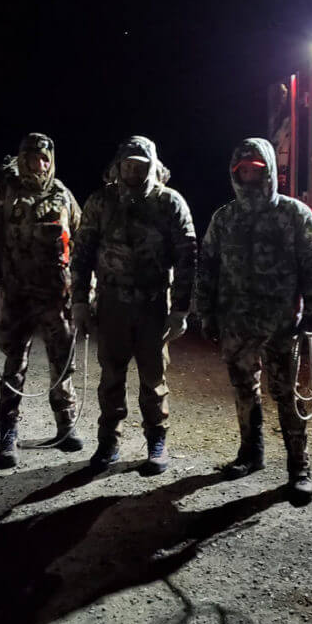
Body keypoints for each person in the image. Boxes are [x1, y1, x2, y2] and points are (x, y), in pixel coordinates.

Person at [194, 137, 312, 502]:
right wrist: (205, 312)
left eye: (257, 170)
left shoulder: (295, 214)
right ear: (235, 173)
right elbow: (207, 266)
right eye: (244, 171)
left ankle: (298, 467)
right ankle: (250, 454)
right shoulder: (224, 218)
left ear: (269, 171)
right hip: (236, 323)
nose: (250, 177)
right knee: (243, 389)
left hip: (282, 325)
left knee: (286, 394)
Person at [71, 135, 196, 475]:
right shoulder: (101, 201)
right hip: (112, 303)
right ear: (118, 165)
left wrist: (180, 309)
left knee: (153, 379)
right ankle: (108, 443)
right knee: (111, 376)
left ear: (151, 167)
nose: (132, 171)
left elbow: (187, 256)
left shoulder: (169, 202)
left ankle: (157, 442)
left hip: (153, 306)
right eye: (127, 164)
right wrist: (79, 301)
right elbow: (82, 253)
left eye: (139, 166)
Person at [0, 133, 82, 468]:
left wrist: (85, 283)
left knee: (62, 363)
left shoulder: (62, 194)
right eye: (33, 158)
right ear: (22, 160)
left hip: (55, 297)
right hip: (18, 295)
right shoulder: (6, 194)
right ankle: (8, 434)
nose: (39, 164)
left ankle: (66, 425)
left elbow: (82, 238)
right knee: (14, 365)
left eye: (45, 158)